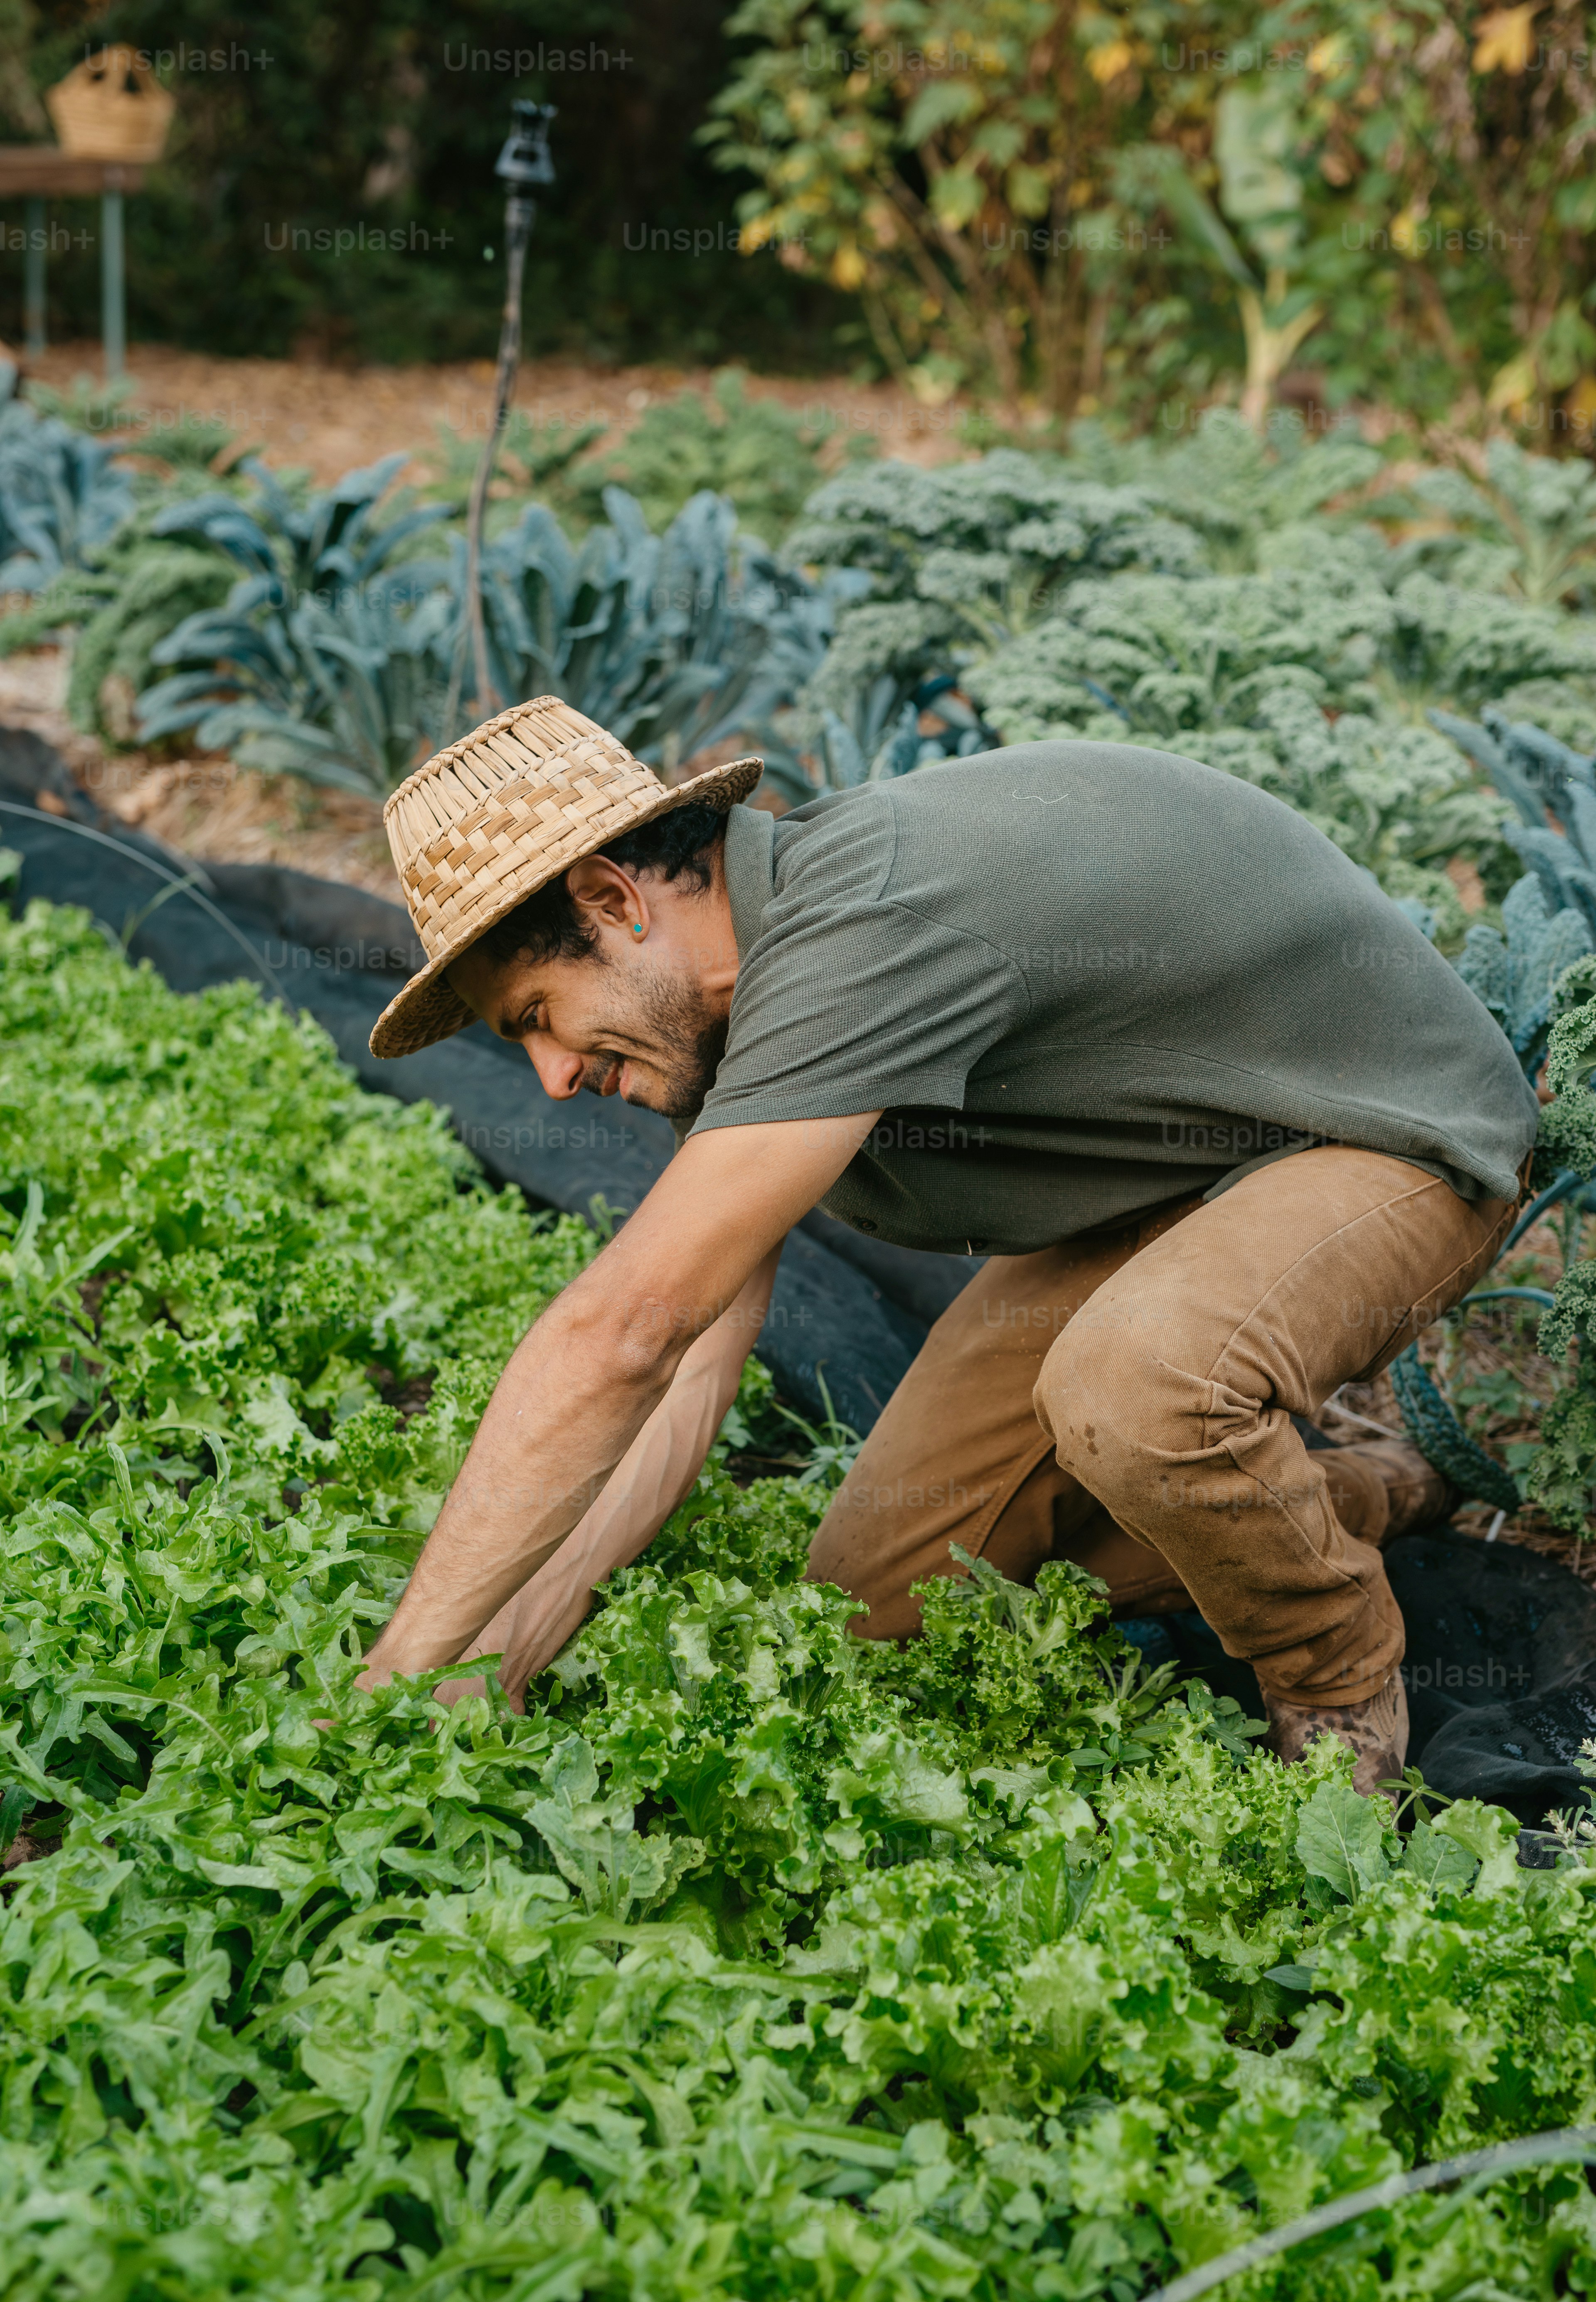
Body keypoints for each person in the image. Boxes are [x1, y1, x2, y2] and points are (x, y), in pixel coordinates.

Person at [359, 695, 1539, 1794]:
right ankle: (1345, 1498)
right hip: (1177, 1178)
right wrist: (508, 1643)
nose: (553, 1080)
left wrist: (397, 1675)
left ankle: (1334, 1679)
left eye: (535, 1020)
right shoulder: (717, 1015)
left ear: (615, 900)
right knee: (883, 1606)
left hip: (1393, 1144)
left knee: (1134, 1389)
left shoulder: (859, 928)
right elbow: (686, 1362)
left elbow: (625, 1331)